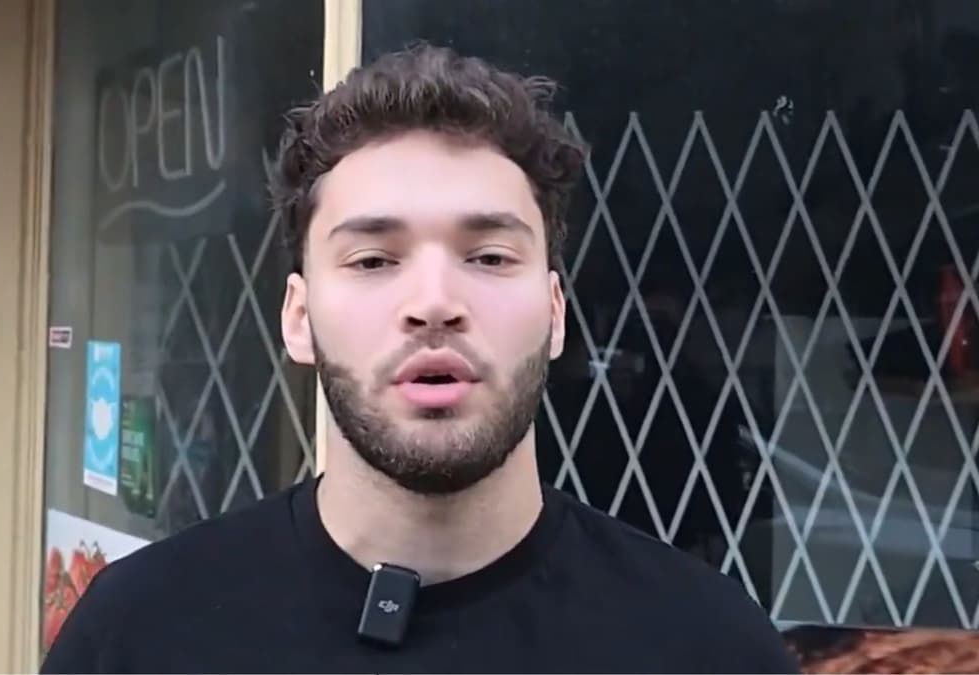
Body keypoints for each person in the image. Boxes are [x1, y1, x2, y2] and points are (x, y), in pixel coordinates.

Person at [40, 43, 801, 674]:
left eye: (491, 255)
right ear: (299, 319)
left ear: (555, 312)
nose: (435, 300)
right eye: (374, 259)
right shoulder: (137, 638)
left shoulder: (711, 649)